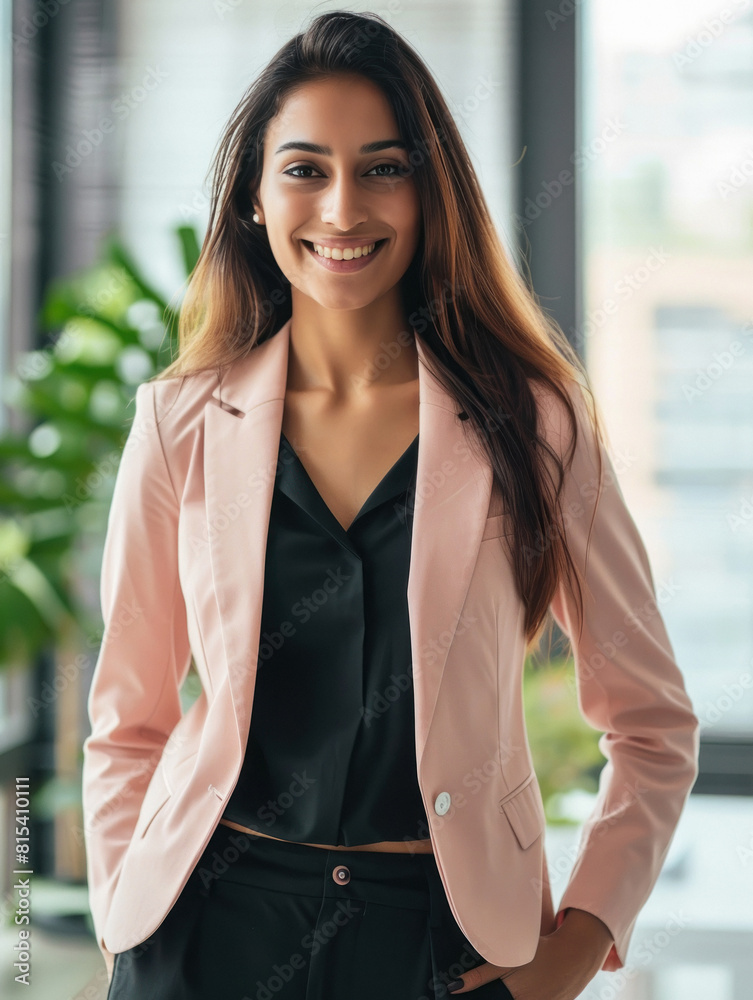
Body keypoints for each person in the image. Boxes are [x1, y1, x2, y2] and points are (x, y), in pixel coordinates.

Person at [81, 10, 700, 1000]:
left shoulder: (533, 425)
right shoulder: (180, 422)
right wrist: (123, 910)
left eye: (382, 167)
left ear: (430, 191)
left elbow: (653, 723)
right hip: (206, 933)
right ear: (252, 196)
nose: (340, 207)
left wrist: (578, 944)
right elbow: (129, 720)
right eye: (304, 169)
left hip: (442, 944)